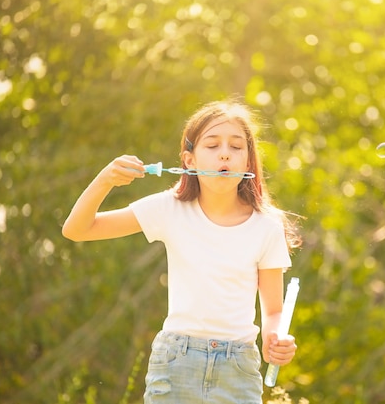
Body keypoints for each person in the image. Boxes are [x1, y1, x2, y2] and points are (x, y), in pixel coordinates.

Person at [62, 99, 302, 403]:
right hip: (177, 363)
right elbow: (77, 229)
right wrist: (105, 180)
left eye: (236, 147)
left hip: (238, 370)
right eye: (212, 145)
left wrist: (274, 337)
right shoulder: (169, 209)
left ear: (248, 162)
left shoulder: (267, 226)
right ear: (189, 160)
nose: (225, 152)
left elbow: (272, 311)